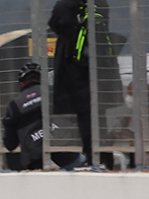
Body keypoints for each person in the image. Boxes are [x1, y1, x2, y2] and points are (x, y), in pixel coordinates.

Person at [49, 0, 120, 168]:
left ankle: (91, 155)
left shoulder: (67, 4)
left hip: (76, 68)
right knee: (99, 116)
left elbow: (56, 23)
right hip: (101, 69)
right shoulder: (99, 4)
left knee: (84, 115)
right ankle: (104, 156)